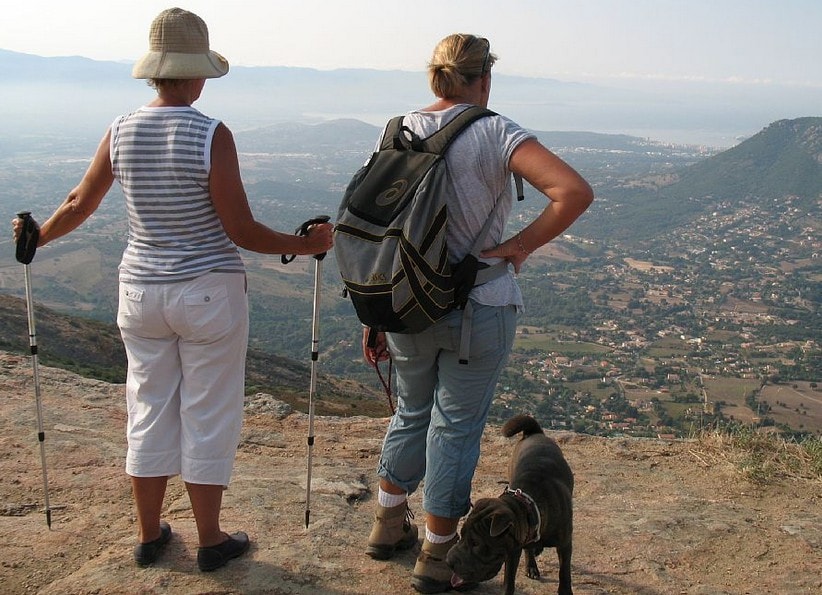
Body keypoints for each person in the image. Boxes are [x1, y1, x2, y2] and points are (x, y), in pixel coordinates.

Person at [12, 7, 333, 572]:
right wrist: (307, 245)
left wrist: (37, 237)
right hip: (207, 290)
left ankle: (148, 534)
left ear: (155, 72)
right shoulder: (212, 133)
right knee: (208, 410)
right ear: (196, 73)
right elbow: (241, 230)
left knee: (148, 405)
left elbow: (78, 204)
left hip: (139, 291)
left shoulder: (120, 129)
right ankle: (210, 540)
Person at [361, 33, 593, 593]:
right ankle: (437, 555)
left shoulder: (397, 129)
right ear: (484, 77)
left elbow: (383, 229)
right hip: (478, 306)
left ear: (433, 77)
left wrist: (376, 311)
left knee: (411, 412)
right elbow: (572, 191)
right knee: (456, 427)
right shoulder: (493, 131)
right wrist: (520, 245)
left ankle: (387, 525)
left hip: (404, 305)